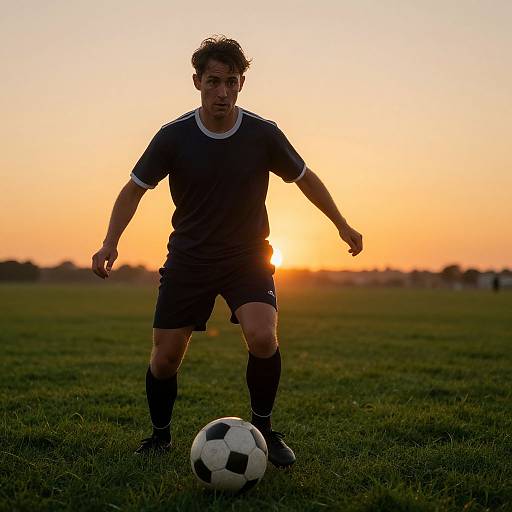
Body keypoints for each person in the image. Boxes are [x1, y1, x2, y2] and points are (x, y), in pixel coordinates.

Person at [91, 35, 363, 468]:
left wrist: (342, 223)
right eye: (213, 82)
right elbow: (133, 190)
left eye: (231, 82)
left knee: (262, 336)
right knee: (164, 359)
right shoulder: (173, 137)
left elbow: (306, 178)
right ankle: (160, 437)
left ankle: (266, 430)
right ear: (197, 81)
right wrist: (110, 241)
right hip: (189, 259)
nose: (222, 92)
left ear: (241, 84)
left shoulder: (263, 134)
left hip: (247, 257)